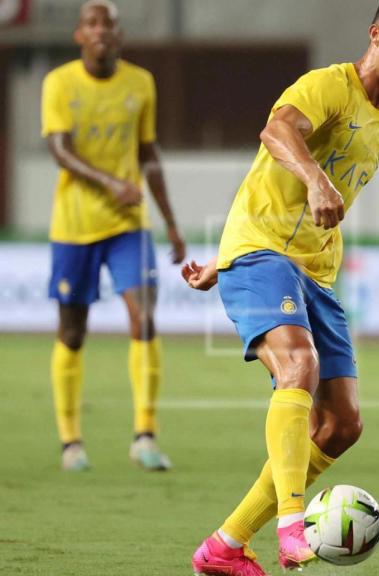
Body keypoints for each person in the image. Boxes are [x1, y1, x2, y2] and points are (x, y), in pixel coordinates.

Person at [179, 1, 379, 574]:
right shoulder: (328, 85)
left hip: (314, 273)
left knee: (343, 424)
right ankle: (294, 523)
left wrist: (221, 264)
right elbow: (275, 132)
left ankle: (225, 546)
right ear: (377, 34)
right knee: (299, 366)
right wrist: (313, 184)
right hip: (264, 252)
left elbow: (285, 196)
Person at [42, 0, 185, 473]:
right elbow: (60, 150)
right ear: (80, 36)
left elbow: (148, 152)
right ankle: (70, 441)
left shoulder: (140, 83)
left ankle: (145, 434)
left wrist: (170, 220)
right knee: (73, 332)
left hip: (128, 226)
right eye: (91, 23)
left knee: (144, 319)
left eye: (109, 24)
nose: (100, 30)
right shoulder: (59, 83)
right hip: (75, 225)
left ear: (119, 36)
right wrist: (111, 184)